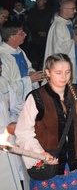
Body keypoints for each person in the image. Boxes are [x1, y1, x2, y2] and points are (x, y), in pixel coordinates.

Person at [15, 53, 77, 189]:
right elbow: (23, 132)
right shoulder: (37, 98)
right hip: (50, 165)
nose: (64, 77)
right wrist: (40, 153)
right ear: (48, 73)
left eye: (67, 72)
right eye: (58, 73)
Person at [45, 0, 77, 92]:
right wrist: (73, 41)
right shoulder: (58, 26)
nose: (75, 11)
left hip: (74, 59)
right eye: (73, 9)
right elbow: (59, 48)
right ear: (65, 9)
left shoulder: (68, 22)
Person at [0, 57, 29, 190]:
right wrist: (5, 129)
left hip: (11, 139)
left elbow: (17, 105)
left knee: (19, 177)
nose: (1, 69)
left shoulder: (2, 82)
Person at [0, 21, 45, 103]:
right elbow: (5, 87)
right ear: (11, 37)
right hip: (13, 102)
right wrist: (29, 80)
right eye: (21, 33)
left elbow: (28, 67)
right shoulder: (2, 57)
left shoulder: (18, 50)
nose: (25, 34)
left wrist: (31, 73)